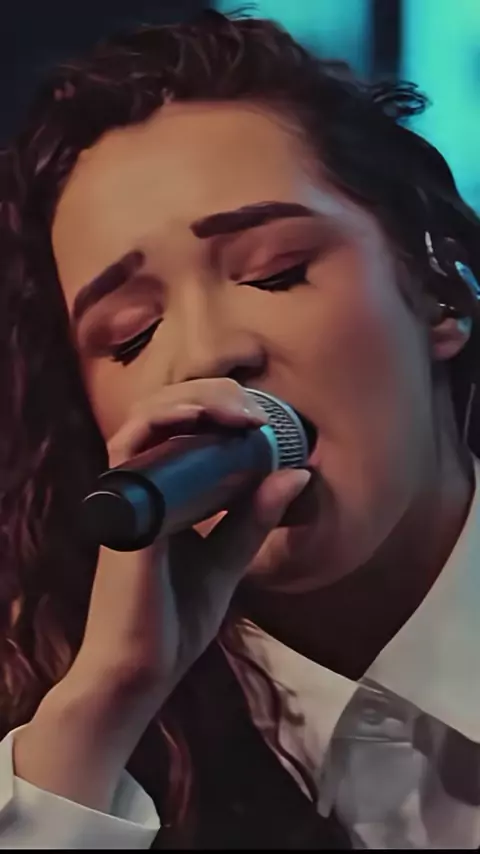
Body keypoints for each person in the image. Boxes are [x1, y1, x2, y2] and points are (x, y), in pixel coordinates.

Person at [0, 9, 479, 849]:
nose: (207, 353)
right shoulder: (72, 746)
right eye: (131, 336)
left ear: (439, 293)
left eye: (276, 272)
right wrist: (97, 716)